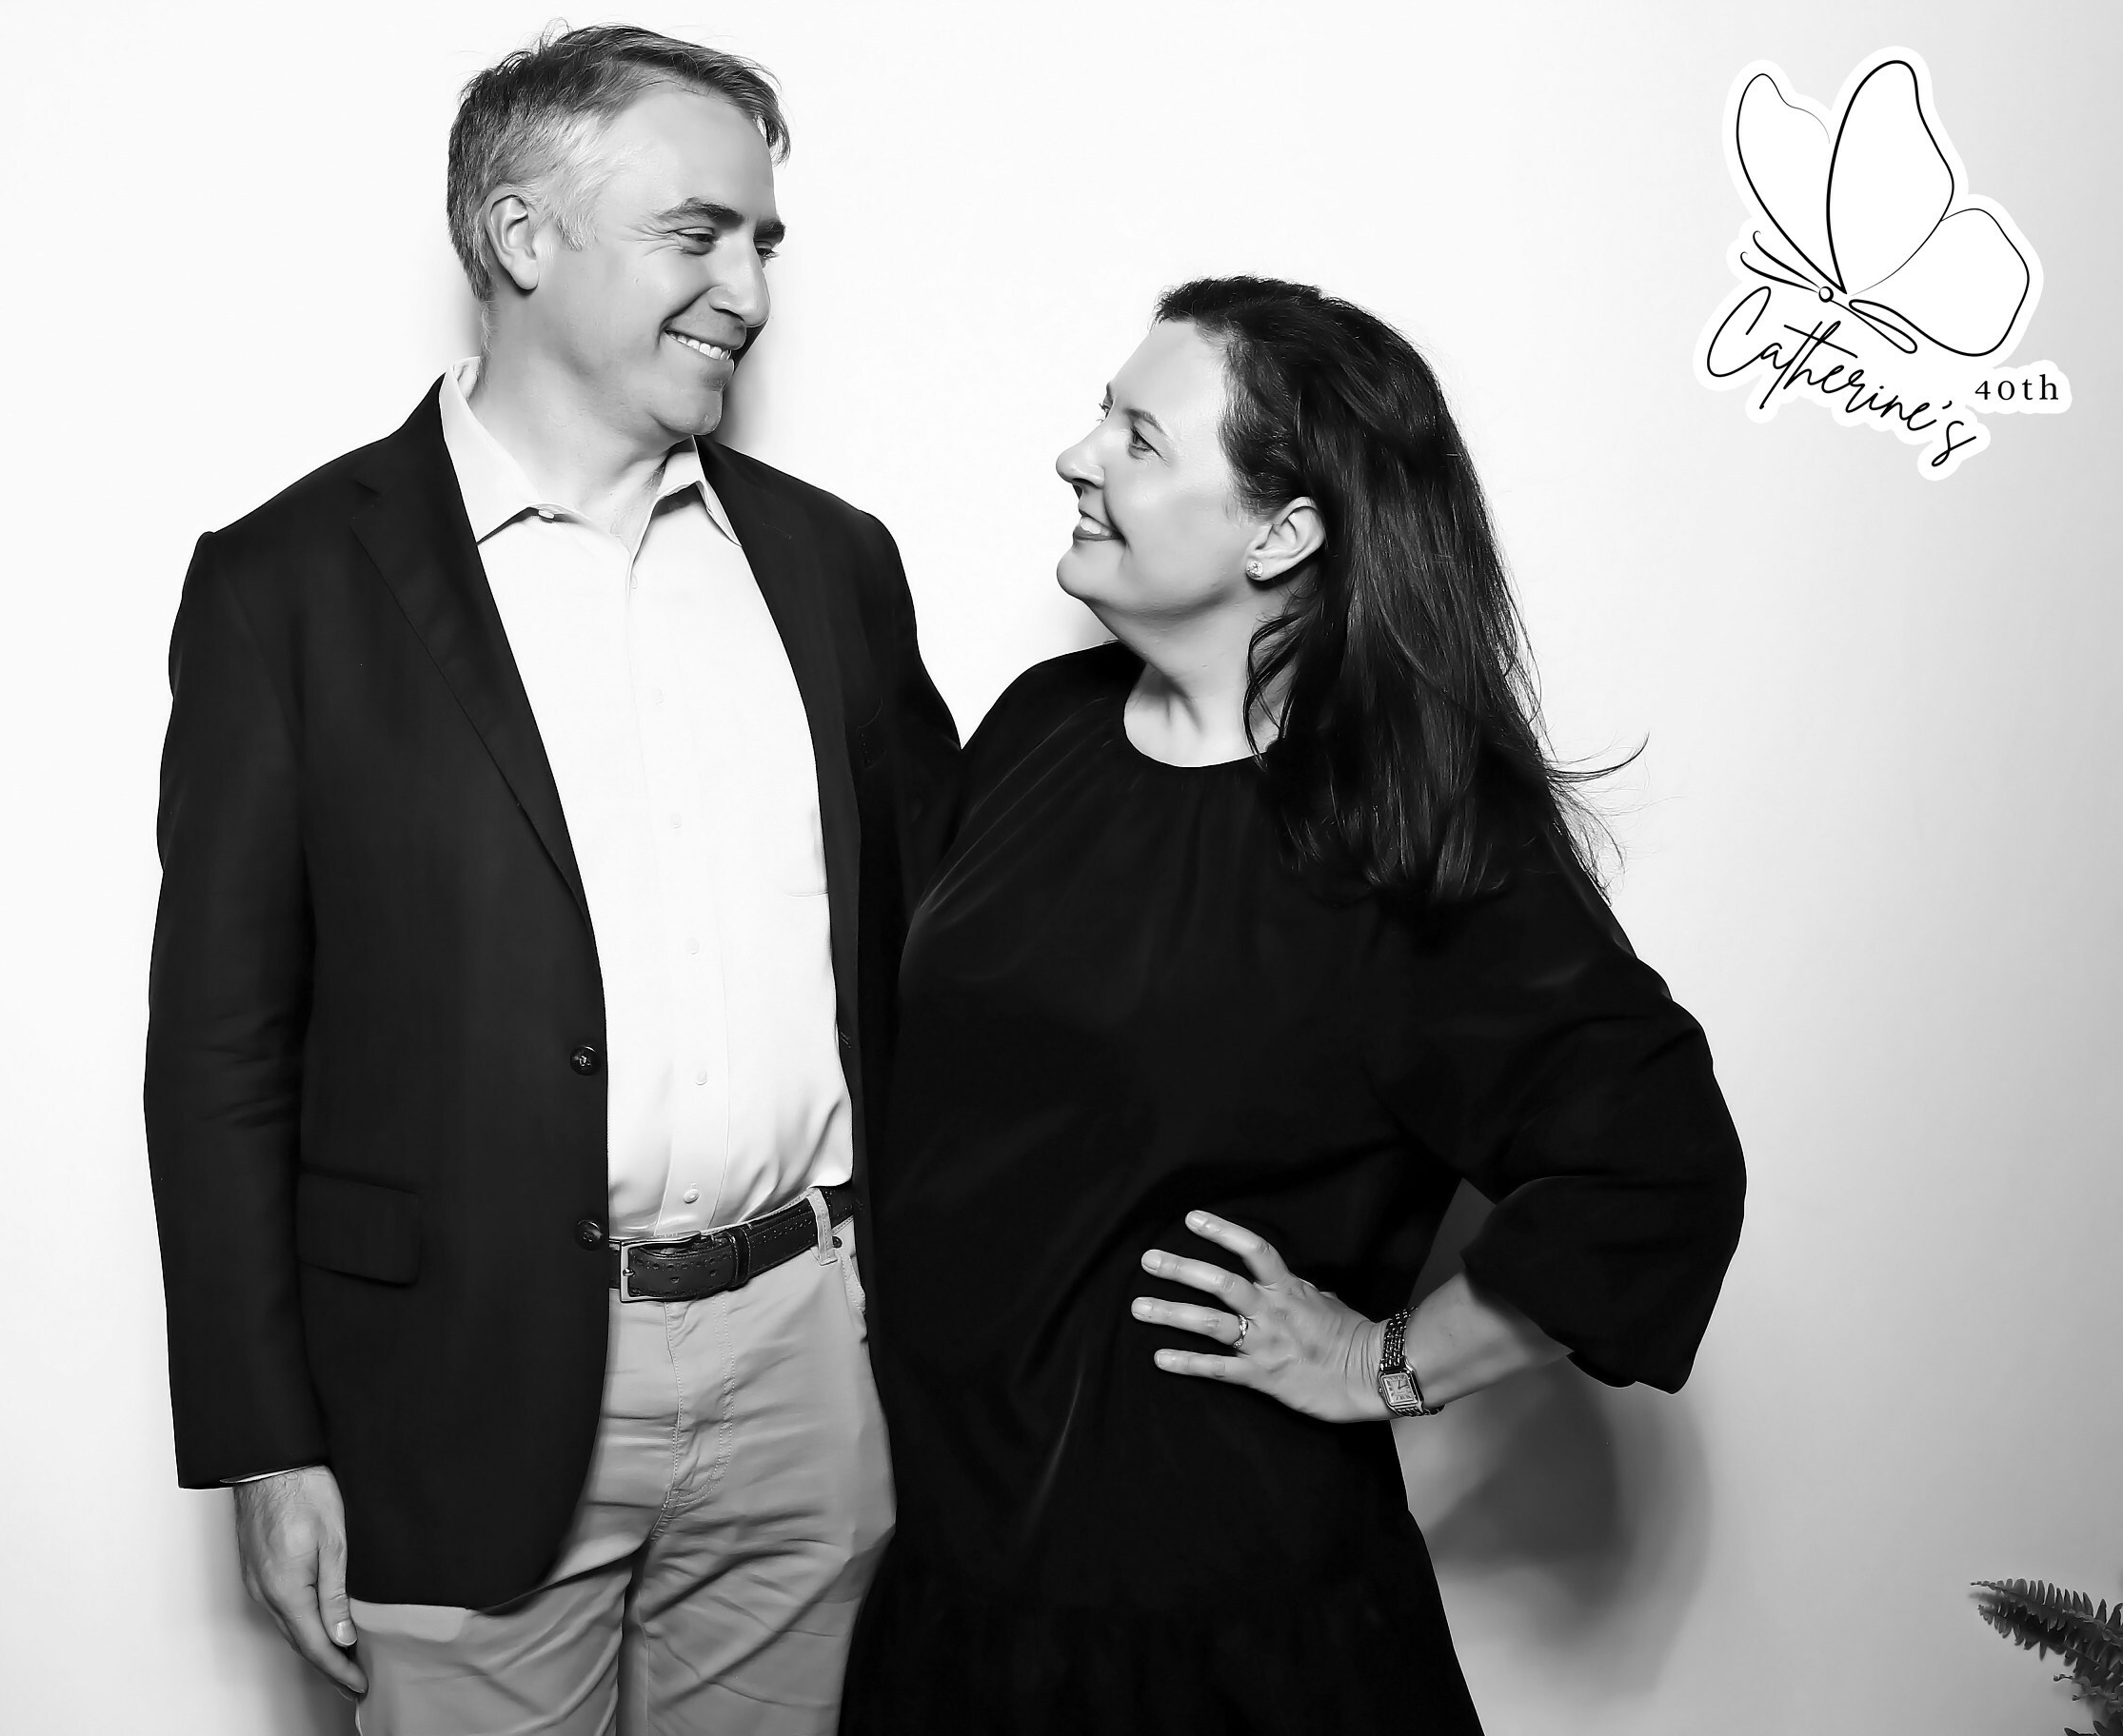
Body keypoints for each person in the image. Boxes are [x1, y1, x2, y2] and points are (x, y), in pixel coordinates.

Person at [142, 25, 955, 1733]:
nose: (750, 290)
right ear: (521, 236)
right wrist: (264, 1441)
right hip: (455, 1387)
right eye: (697, 234)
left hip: (809, 1368)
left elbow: (933, 956)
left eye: (764, 241)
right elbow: (220, 1050)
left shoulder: (832, 566)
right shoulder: (287, 589)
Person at [841, 278, 1745, 1734]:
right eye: (1101, 417)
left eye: (1139, 437)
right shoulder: (1037, 730)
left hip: (1220, 1634)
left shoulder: (1401, 839)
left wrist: (1380, 1364)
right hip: (956, 1586)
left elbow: (1657, 1172)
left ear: (1284, 532)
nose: (1076, 455)